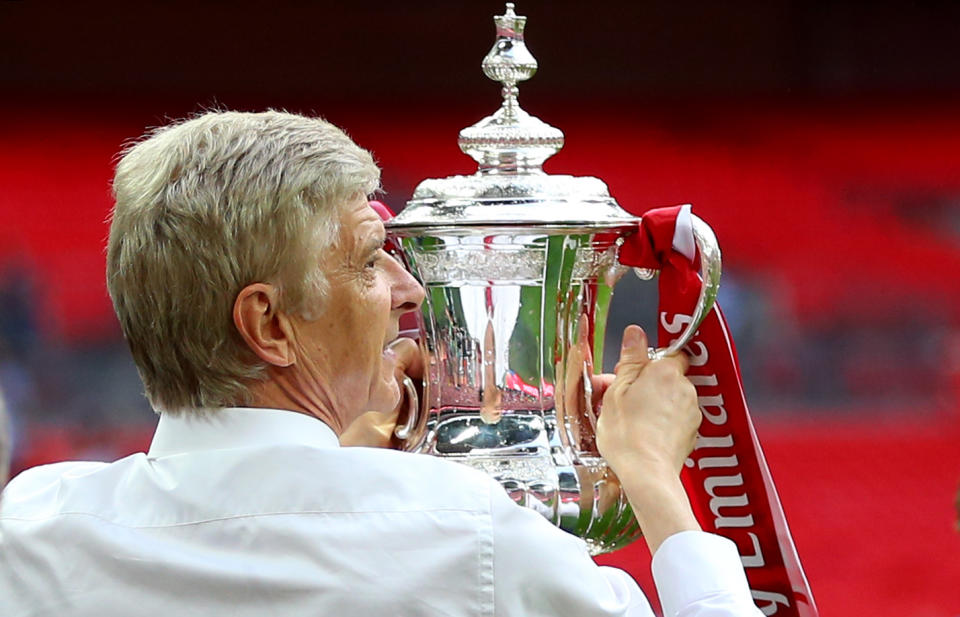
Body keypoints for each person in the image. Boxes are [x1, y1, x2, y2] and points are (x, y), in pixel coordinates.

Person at [0, 111, 762, 616]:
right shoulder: (470, 537)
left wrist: (348, 466)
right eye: (370, 261)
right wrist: (655, 474)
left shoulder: (31, 530)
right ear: (269, 322)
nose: (408, 289)